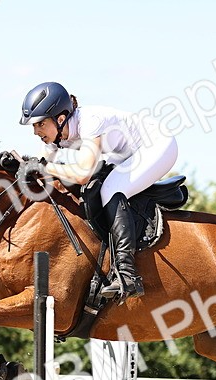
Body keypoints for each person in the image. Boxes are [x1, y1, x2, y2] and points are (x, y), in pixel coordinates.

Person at [14, 81, 178, 302]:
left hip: (156, 144)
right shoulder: (57, 135)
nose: (35, 131)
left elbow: (82, 173)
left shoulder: (90, 121)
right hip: (125, 153)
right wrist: (17, 164)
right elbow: (41, 166)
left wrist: (39, 166)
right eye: (34, 126)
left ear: (60, 119)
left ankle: (127, 274)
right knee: (96, 187)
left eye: (40, 124)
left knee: (110, 189)